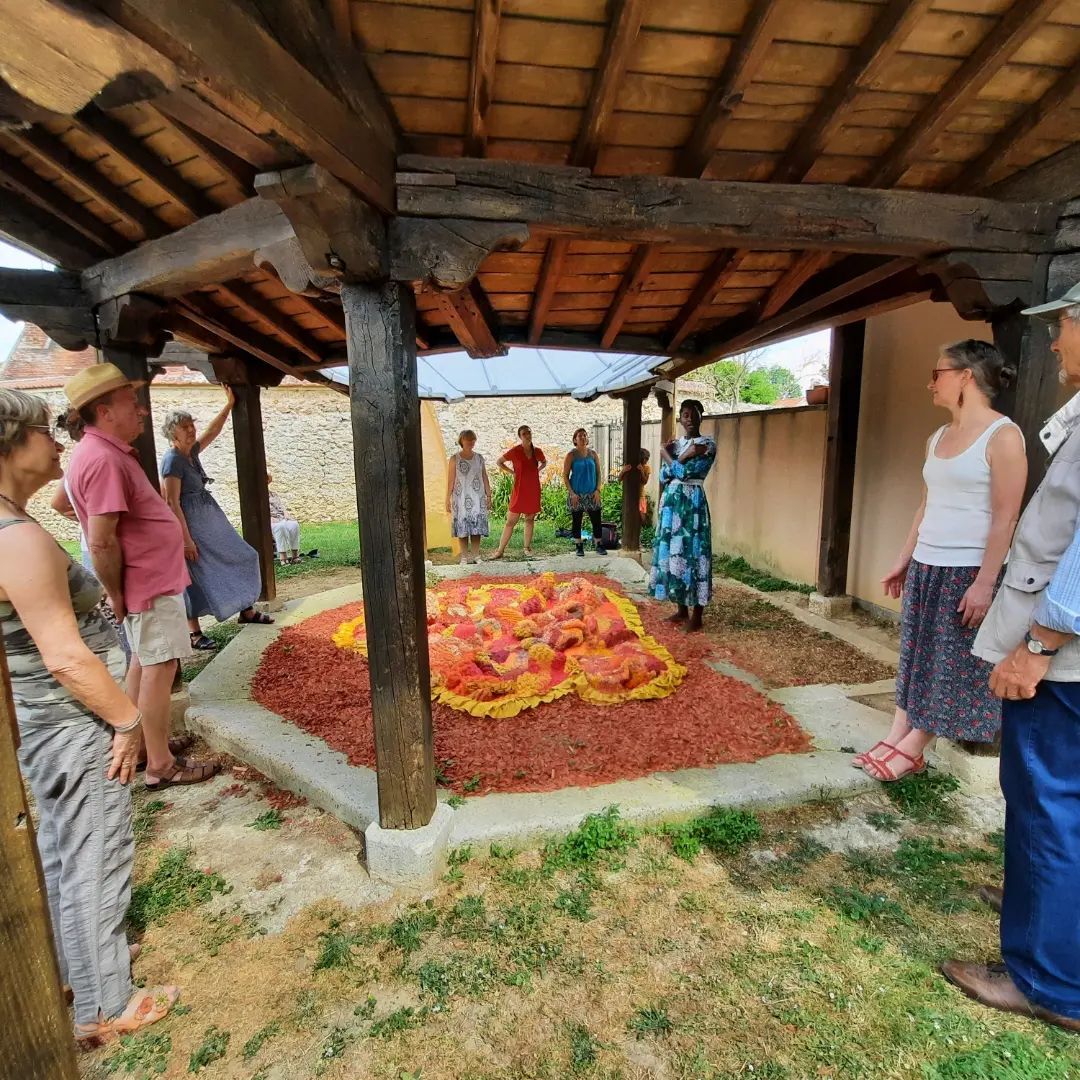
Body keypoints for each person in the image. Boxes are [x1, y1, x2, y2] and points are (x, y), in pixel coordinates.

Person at [0, 388, 180, 1045]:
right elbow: (66, 658)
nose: (58, 443)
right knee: (99, 853)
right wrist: (127, 721)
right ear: (14, 448)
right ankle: (105, 1006)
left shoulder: (10, 523)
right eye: (46, 433)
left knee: (64, 853)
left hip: (48, 725)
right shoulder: (15, 540)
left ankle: (78, 973)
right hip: (76, 725)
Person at [942, 283, 1080, 1033]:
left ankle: (1048, 980)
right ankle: (1050, 914)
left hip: (1066, 657)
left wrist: (1037, 645)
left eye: (1063, 327)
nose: (1056, 343)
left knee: (1048, 805)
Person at [855, 340, 1027, 782]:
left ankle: (915, 747)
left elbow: (1007, 516)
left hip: (968, 570)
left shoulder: (1003, 436)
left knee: (955, 662)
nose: (930, 383)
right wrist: (903, 558)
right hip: (927, 564)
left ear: (965, 376)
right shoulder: (937, 437)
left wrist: (986, 583)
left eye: (937, 374)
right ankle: (897, 733)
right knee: (916, 654)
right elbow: (925, 505)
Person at [64, 363, 217, 792]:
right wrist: (116, 592)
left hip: (146, 581)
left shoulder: (96, 453)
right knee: (160, 665)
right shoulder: (102, 459)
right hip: (147, 584)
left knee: (142, 662)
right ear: (104, 410)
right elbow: (101, 542)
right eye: (133, 404)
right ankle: (161, 766)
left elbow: (64, 502)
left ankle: (146, 745)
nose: (142, 412)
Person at [159, 395, 272, 655]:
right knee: (196, 574)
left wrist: (230, 404)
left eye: (191, 425)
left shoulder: (190, 453)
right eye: (184, 426)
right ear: (172, 433)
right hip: (192, 526)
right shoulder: (172, 460)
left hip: (210, 520)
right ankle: (195, 633)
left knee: (244, 555)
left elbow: (212, 431)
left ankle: (246, 609)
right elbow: (172, 502)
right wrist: (186, 540)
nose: (190, 429)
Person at [650, 400, 716, 632]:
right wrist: (681, 456)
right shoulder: (680, 444)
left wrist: (665, 454)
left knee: (694, 553)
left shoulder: (707, 444)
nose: (688, 419)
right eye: (684, 415)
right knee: (674, 552)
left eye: (693, 414)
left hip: (692, 504)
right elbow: (662, 476)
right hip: (672, 504)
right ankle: (680, 609)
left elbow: (687, 474)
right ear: (680, 418)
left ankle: (697, 615)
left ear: (701, 416)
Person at [489, 424, 546, 559]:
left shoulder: (537, 451)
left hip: (533, 488)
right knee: (511, 521)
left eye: (529, 432)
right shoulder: (515, 451)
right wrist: (512, 472)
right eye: (524, 433)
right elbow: (499, 462)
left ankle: (527, 548)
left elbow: (544, 462)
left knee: (529, 519)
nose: (527, 435)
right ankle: (500, 550)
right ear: (520, 436)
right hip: (519, 489)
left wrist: (537, 471)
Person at [445, 429, 491, 565]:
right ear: (461, 441)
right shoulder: (454, 459)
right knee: (463, 528)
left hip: (477, 497)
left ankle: (476, 556)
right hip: (460, 497)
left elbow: (484, 476)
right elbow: (451, 480)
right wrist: (447, 498)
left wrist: (489, 495)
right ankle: (464, 557)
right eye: (467, 439)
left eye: (473, 439)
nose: (470, 442)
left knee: (476, 528)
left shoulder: (479, 458)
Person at [562, 428, 604, 557]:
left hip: (592, 493)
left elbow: (598, 473)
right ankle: (579, 546)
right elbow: (565, 475)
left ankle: (598, 544)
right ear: (575, 440)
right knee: (577, 520)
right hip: (577, 494)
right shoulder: (571, 455)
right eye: (580, 436)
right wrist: (572, 493)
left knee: (596, 520)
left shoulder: (593, 454)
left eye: (585, 435)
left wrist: (597, 490)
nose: (583, 437)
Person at [267, 473, 301, 566]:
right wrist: (269, 518)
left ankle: (295, 556)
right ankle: (283, 557)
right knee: (280, 527)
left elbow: (281, 507)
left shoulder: (274, 494)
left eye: (266, 479)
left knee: (294, 525)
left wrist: (286, 513)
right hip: (270, 520)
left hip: (280, 518)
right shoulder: (257, 496)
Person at [619, 448, 652, 527]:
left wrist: (641, 471)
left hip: (640, 495)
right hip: (630, 495)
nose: (646, 460)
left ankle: (644, 531)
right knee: (630, 515)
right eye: (645, 458)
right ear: (641, 458)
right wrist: (623, 471)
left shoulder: (646, 468)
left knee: (642, 516)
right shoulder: (632, 466)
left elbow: (645, 481)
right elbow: (619, 479)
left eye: (647, 458)